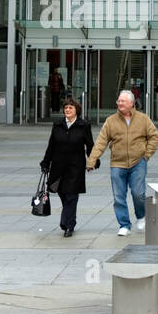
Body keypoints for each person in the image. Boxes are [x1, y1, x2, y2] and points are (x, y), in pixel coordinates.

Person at [87, 89, 158, 237]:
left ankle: (141, 216)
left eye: (123, 101)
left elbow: (154, 137)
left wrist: (146, 155)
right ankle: (124, 225)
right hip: (117, 164)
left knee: (138, 193)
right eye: (119, 101)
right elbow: (101, 142)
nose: (119, 103)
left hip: (138, 162)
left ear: (132, 103)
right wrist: (92, 160)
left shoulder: (143, 119)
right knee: (119, 197)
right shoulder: (111, 121)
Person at [40, 99, 97, 237]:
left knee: (71, 195)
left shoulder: (83, 126)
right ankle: (69, 219)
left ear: (76, 110)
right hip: (58, 166)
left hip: (75, 167)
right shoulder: (58, 124)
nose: (67, 110)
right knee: (62, 193)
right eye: (66, 108)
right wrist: (45, 162)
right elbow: (51, 145)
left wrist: (93, 160)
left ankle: (68, 224)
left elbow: (90, 145)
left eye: (71, 108)